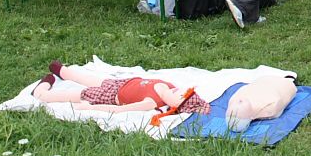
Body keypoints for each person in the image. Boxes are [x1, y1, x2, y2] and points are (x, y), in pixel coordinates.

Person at [32, 61, 210, 120]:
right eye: (184, 92)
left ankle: (41, 91)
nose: (179, 91)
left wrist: (90, 107)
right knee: (88, 79)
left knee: (77, 94)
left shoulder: (151, 103)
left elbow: (119, 110)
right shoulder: (169, 87)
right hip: (121, 83)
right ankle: (64, 72)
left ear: (174, 106)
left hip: (111, 96)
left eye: (180, 97)